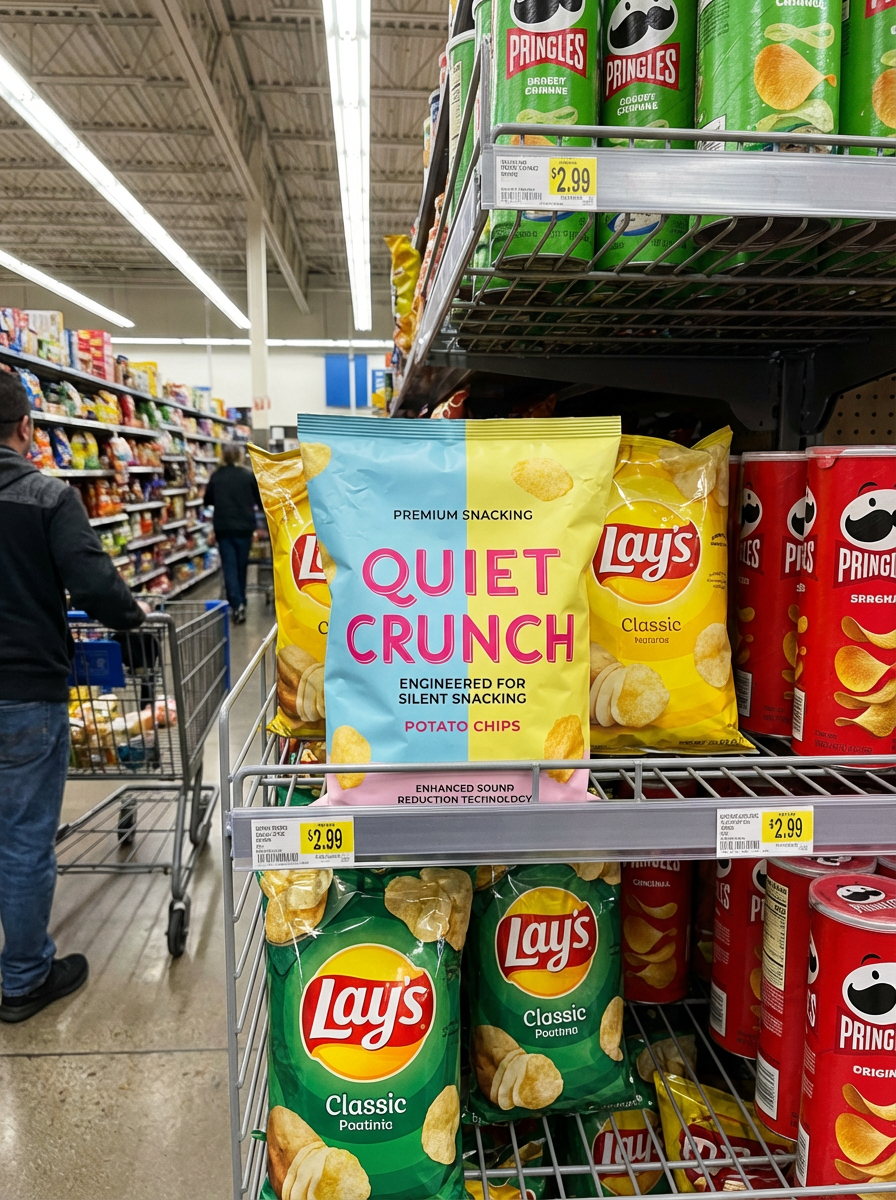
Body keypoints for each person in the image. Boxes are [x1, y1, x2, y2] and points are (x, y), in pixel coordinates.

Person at [0, 371, 146, 1023]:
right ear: (26, 428)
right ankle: (25, 976)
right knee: (25, 838)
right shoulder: (45, 496)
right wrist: (132, 623)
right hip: (23, 691)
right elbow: (96, 586)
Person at [204, 443, 261, 624]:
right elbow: (259, 501)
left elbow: (207, 500)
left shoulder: (216, 476)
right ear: (239, 456)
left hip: (224, 527)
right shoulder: (248, 475)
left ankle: (236, 605)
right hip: (244, 528)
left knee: (229, 566)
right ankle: (241, 601)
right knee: (241, 566)